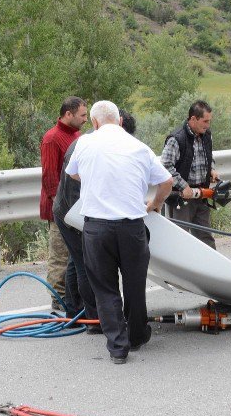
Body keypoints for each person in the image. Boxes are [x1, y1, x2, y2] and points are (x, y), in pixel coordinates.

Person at [66, 101, 172, 364]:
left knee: (105, 288)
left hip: (97, 228)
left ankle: (117, 347)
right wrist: (155, 204)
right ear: (121, 121)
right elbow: (167, 182)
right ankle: (137, 336)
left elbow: (73, 174)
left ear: (94, 123)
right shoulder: (139, 147)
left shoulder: (85, 143)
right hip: (132, 227)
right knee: (135, 285)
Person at [52, 110, 138, 331]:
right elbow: (77, 189)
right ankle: (94, 321)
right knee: (86, 265)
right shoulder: (89, 146)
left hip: (71, 209)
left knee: (76, 260)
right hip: (72, 212)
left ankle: (75, 310)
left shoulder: (91, 141)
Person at [41, 97, 87, 310]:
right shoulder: (52, 139)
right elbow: (50, 178)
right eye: (82, 115)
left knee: (74, 257)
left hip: (76, 209)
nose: (85, 119)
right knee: (60, 256)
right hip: (60, 209)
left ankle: (72, 299)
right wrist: (59, 209)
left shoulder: (77, 136)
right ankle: (58, 300)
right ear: (68, 114)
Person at [161, 100, 219, 249]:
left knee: (206, 237)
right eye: (205, 121)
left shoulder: (207, 135)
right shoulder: (176, 139)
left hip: (202, 195)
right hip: (182, 198)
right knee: (181, 239)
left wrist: (211, 169)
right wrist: (183, 186)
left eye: (209, 121)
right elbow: (165, 166)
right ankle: (178, 271)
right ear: (193, 119)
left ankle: (212, 271)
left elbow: (208, 157)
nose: (208, 125)